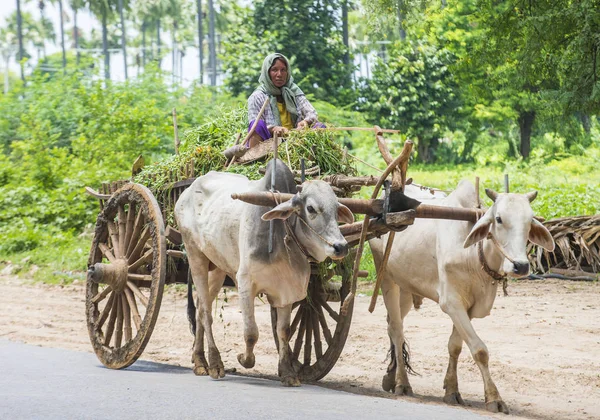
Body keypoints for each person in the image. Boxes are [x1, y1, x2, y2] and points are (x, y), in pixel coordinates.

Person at [246, 53, 324, 148]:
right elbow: (255, 125)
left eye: (283, 70)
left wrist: (305, 122)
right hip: (269, 143)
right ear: (267, 72)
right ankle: (255, 156)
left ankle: (308, 161)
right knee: (257, 125)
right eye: (274, 70)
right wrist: (273, 129)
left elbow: (312, 114)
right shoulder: (257, 96)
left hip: (296, 140)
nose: (279, 74)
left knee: (320, 127)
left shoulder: (294, 91)